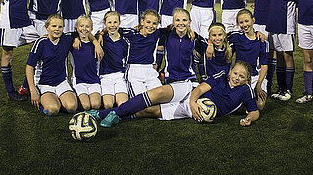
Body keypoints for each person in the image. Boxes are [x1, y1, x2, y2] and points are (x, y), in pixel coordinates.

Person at [88, 61, 259, 128]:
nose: (236, 77)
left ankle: (116, 116)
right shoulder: (222, 75)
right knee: (158, 92)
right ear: (230, 71)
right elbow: (200, 89)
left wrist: (249, 118)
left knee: (150, 111)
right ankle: (100, 114)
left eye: (241, 76)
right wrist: (193, 101)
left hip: (196, 110)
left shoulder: (246, 91)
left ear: (247, 79)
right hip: (191, 92)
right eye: (235, 73)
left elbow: (254, 110)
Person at [25, 14, 78, 115]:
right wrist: (32, 90)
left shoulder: (66, 39)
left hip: (61, 82)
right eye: (54, 26)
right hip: (44, 84)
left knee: (72, 107)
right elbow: (29, 67)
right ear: (47, 27)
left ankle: (58, 100)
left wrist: (95, 42)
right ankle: (47, 102)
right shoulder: (41, 43)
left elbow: (81, 31)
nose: (57, 29)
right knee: (53, 110)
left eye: (60, 27)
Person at [266, 0, 299, 101]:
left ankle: (288, 89)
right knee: (278, 55)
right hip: (273, 26)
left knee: (287, 55)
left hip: (286, 27)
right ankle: (280, 88)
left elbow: (303, 1)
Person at [229, 8, 269, 110]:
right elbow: (218, 36)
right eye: (241, 22)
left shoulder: (262, 41)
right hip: (239, 76)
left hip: (255, 76)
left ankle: (240, 105)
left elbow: (264, 65)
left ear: (253, 20)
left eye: (247, 21)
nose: (244, 25)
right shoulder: (236, 36)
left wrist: (259, 85)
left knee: (259, 105)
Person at [68, 15, 102, 111]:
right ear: (77, 28)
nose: (84, 29)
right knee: (86, 106)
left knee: (95, 105)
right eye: (81, 26)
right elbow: (64, 35)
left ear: (91, 28)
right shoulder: (73, 43)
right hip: (79, 81)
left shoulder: (96, 43)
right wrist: (75, 37)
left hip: (94, 80)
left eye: (87, 26)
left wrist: (96, 42)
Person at [98, 11, 130, 109]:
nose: (112, 25)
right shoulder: (101, 38)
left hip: (120, 76)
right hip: (105, 76)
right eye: (109, 22)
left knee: (123, 104)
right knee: (108, 105)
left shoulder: (126, 40)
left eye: (115, 22)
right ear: (105, 24)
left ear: (119, 23)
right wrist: (99, 35)